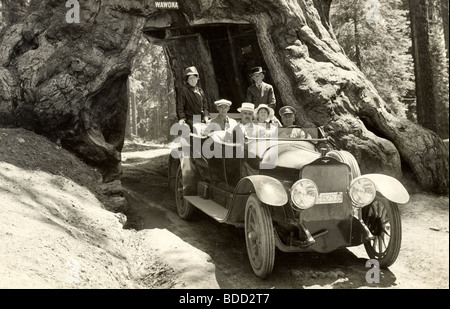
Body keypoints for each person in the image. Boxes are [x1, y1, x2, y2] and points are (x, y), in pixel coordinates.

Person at [176, 66, 210, 132]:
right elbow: (180, 106)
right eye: (190, 78)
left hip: (201, 118)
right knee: (198, 130)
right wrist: (182, 118)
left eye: (194, 78)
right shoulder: (183, 90)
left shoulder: (200, 91)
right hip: (190, 118)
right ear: (187, 80)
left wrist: (206, 116)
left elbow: (205, 106)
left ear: (197, 78)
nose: (192, 80)